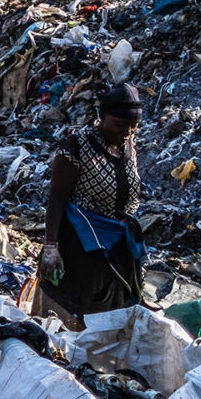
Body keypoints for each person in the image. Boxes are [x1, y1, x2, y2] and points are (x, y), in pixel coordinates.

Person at [37, 84, 145, 328]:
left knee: (115, 299)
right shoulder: (75, 147)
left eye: (133, 125)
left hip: (117, 236)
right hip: (82, 240)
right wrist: (51, 247)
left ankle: (104, 351)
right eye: (120, 125)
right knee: (81, 300)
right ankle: (73, 349)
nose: (128, 132)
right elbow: (56, 198)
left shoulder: (127, 142)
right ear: (102, 117)